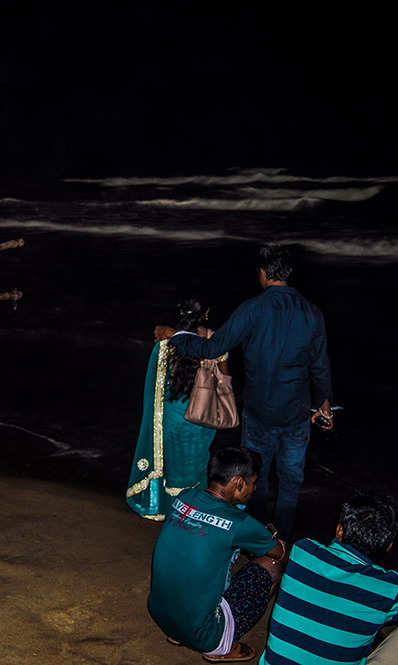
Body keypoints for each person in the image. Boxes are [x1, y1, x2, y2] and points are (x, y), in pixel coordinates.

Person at [156, 244, 333, 544]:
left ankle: (259, 539)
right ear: (288, 274)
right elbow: (320, 365)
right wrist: (325, 403)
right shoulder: (313, 314)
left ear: (263, 274)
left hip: (260, 413)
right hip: (297, 416)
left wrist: (178, 337)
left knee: (256, 481)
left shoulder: (252, 309)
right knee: (291, 482)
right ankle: (283, 542)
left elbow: (212, 348)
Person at [260, 493, 398, 665]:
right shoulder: (392, 589)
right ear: (388, 547)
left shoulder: (302, 551)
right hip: (394, 603)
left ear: (339, 530)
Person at [149, 446, 286, 663]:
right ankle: (222, 644)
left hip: (160, 614)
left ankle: (178, 633)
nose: (254, 488)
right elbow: (279, 553)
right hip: (206, 635)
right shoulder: (239, 523)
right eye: (253, 482)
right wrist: (272, 539)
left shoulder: (185, 496)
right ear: (239, 483)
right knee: (272, 565)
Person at [127, 296, 231, 520]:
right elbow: (225, 379)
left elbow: (154, 388)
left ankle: (173, 514)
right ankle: (193, 515)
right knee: (196, 466)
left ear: (181, 311)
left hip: (172, 416)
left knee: (173, 466)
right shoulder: (215, 342)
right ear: (206, 313)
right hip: (202, 418)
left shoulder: (166, 344)